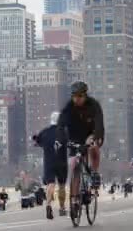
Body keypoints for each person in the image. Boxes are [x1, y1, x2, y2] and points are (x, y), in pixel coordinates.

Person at [55, 81, 105, 212]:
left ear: (85, 95)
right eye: (74, 96)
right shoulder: (69, 107)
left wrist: (95, 138)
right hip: (75, 136)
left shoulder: (94, 105)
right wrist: (60, 139)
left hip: (91, 133)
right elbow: (60, 125)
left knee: (93, 147)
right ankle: (75, 199)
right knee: (74, 165)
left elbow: (99, 124)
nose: (76, 99)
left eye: (79, 96)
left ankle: (94, 173)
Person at [32, 112, 68, 219]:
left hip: (49, 163)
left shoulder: (44, 132)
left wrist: (38, 143)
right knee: (61, 186)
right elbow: (69, 141)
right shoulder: (64, 132)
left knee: (50, 184)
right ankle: (62, 208)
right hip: (61, 162)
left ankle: (48, 205)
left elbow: (37, 141)